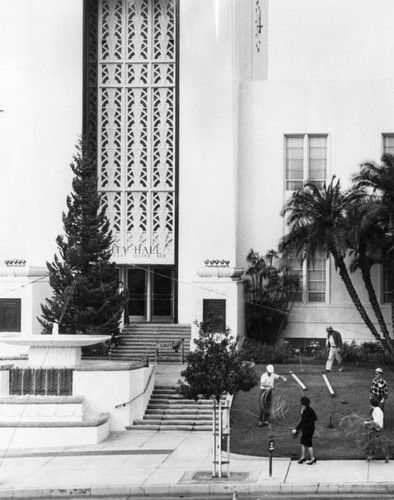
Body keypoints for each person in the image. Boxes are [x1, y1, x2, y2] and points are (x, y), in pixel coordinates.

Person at [292, 396, 318, 465]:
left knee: (308, 443)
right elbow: (315, 418)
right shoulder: (311, 410)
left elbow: (302, 421)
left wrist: (296, 429)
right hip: (311, 428)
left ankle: (312, 458)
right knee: (303, 442)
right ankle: (303, 456)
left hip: (307, 429)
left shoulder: (306, 411)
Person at [364, 397, 389, 462]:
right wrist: (370, 420)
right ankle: (385, 456)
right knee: (375, 442)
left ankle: (371, 456)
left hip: (376, 429)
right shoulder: (379, 410)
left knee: (373, 442)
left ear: (371, 404)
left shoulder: (375, 411)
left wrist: (367, 422)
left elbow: (376, 422)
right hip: (380, 427)